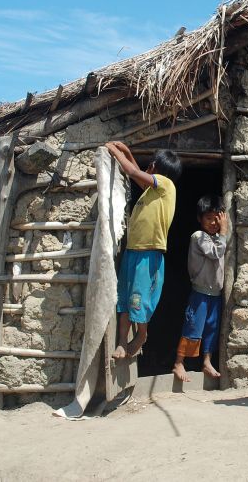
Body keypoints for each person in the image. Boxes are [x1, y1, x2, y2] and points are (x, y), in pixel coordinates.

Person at [106, 141, 182, 359]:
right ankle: (121, 341)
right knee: (124, 298)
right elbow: (136, 172)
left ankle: (141, 335)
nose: (146, 169)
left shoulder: (166, 185)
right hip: (132, 252)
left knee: (139, 299)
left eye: (150, 165)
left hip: (149, 254)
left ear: (156, 167)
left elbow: (131, 171)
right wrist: (128, 152)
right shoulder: (152, 192)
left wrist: (114, 151)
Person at [172, 195, 227, 382]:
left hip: (216, 294)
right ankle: (179, 362)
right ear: (199, 219)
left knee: (211, 328)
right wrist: (225, 232)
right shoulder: (198, 237)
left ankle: (207, 361)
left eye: (216, 219)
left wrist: (223, 234)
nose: (213, 223)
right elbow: (215, 252)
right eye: (208, 218)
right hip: (200, 293)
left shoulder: (220, 238)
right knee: (193, 326)